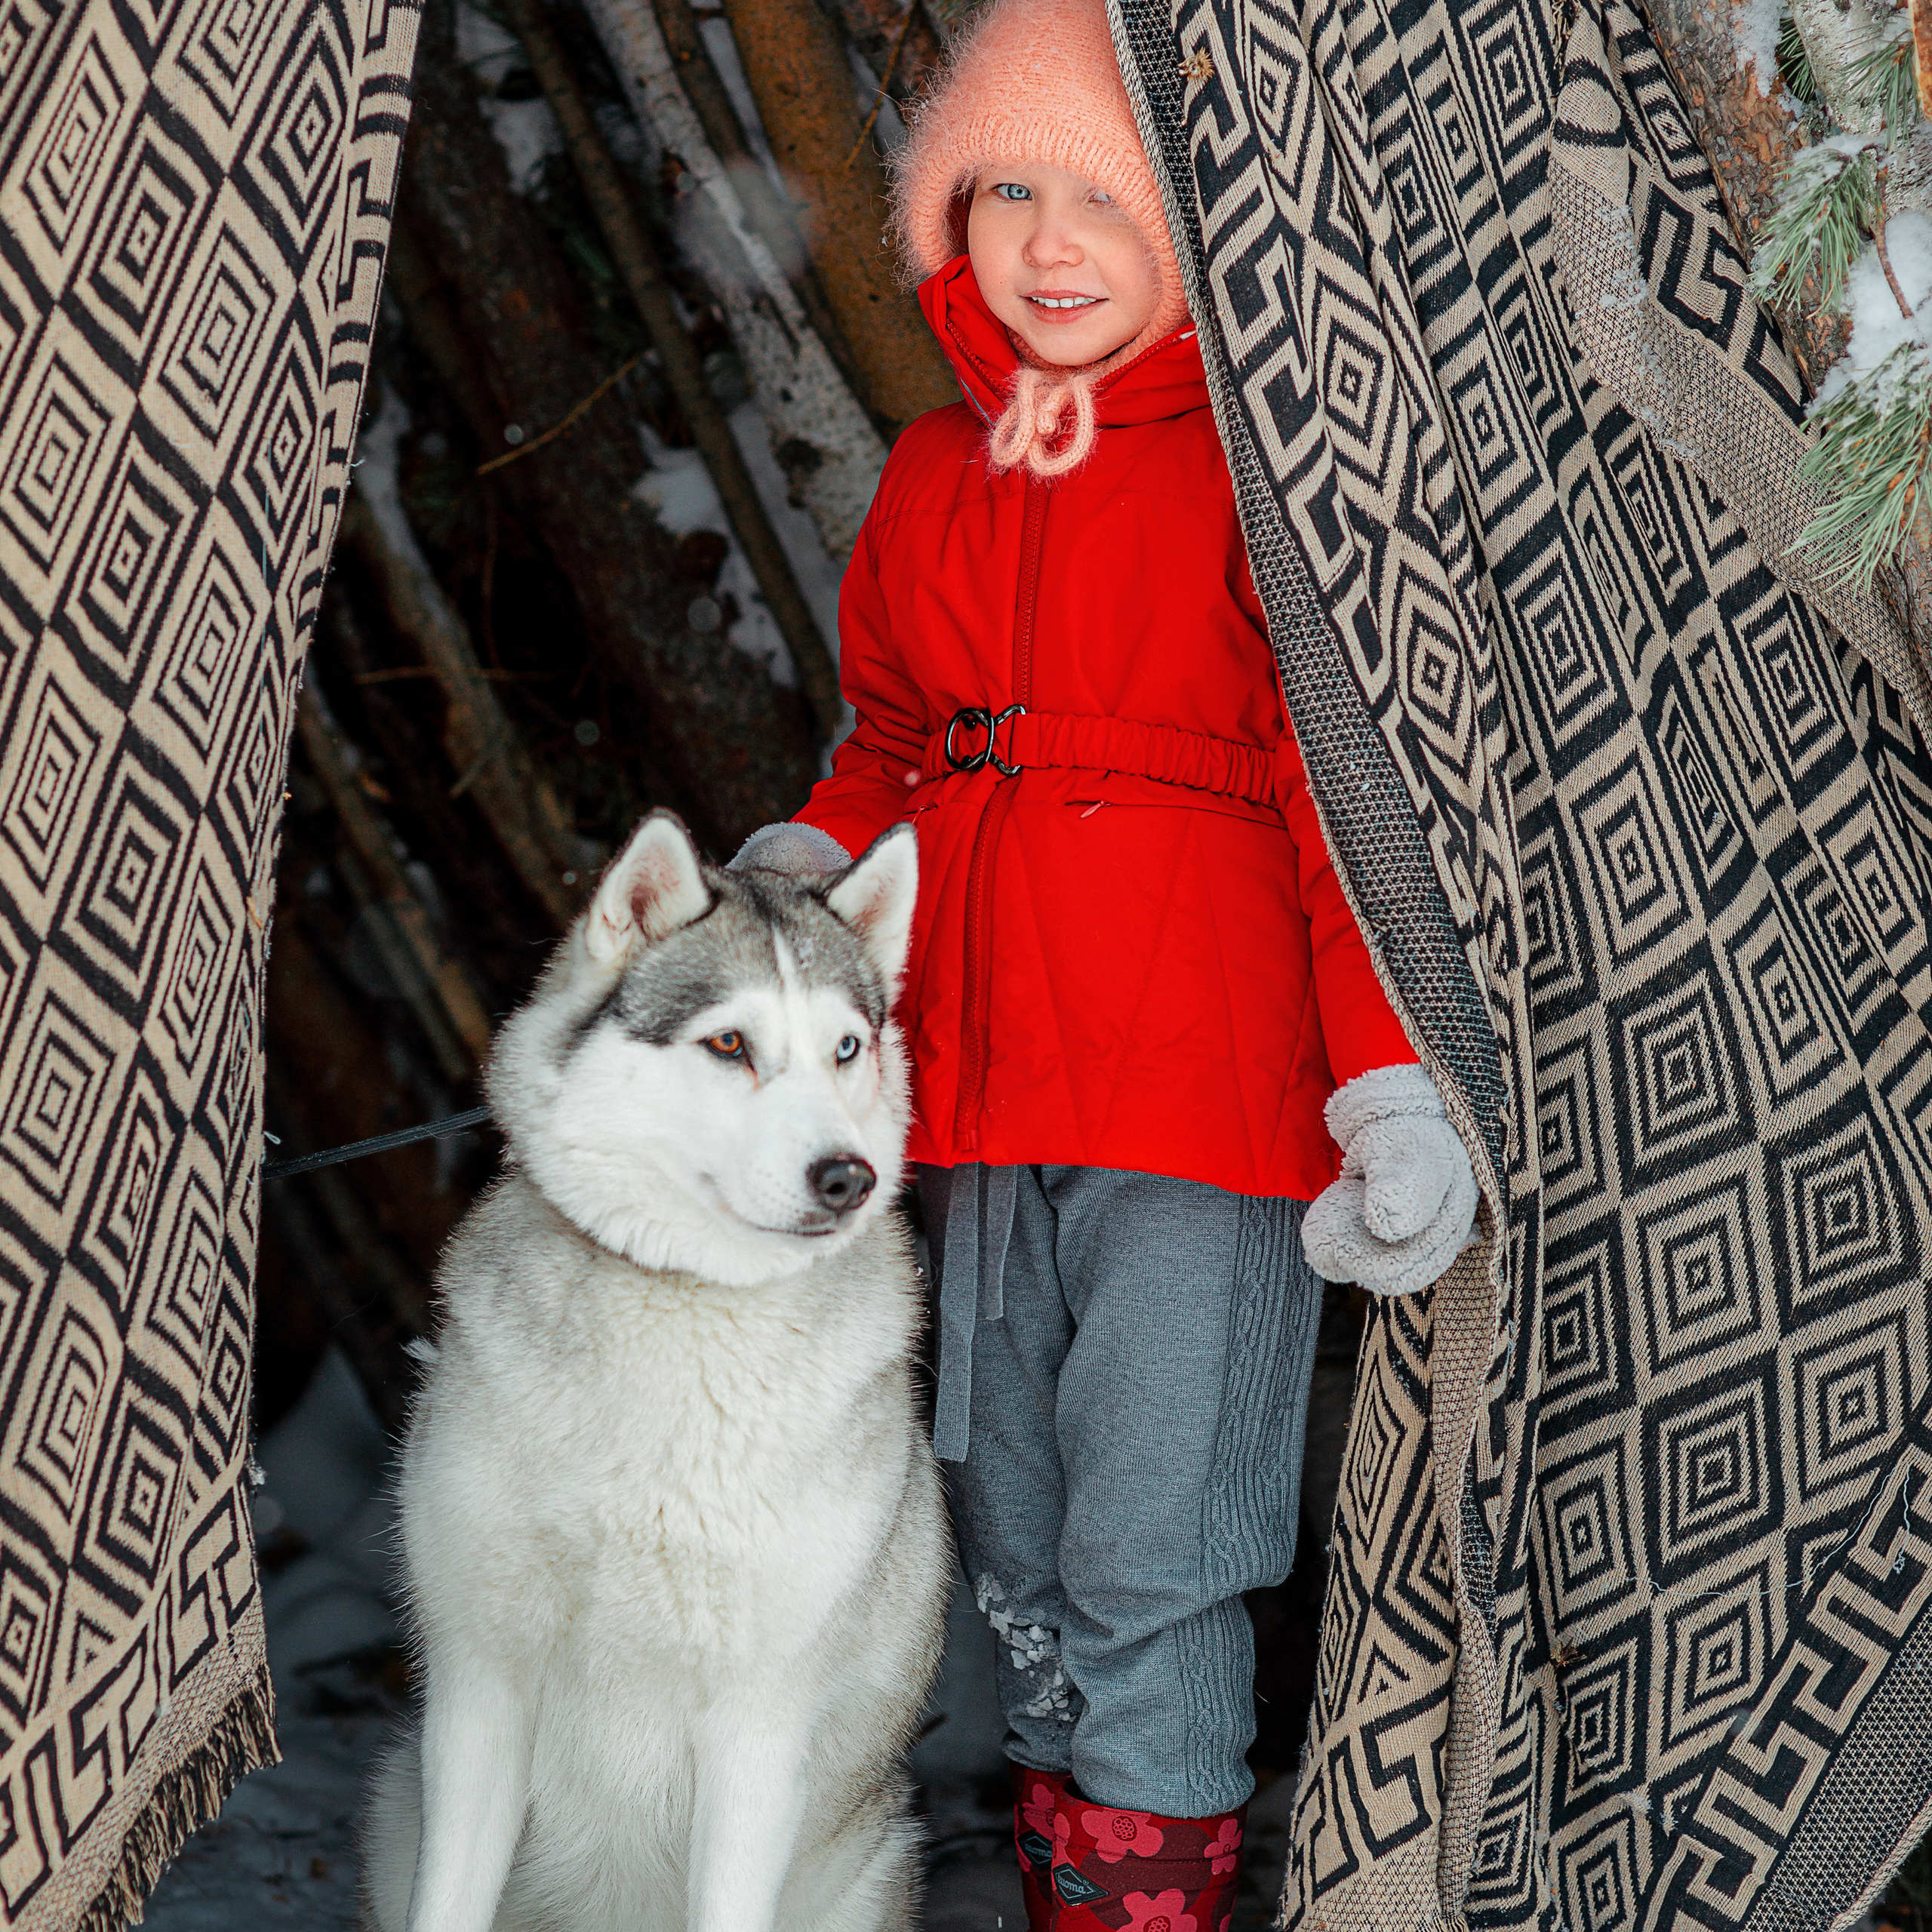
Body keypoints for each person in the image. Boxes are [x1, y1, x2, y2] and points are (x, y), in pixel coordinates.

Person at [733, 0, 1477, 1921]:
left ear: (1201, 230)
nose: (1049, 244)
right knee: (1020, 1548)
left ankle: (1152, 1895)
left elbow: (1346, 806)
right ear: (946, 219)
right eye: (1008, 193)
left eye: (1108, 203)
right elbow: (893, 743)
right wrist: (804, 869)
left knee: (1158, 1546)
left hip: (1196, 1109)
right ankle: (1073, 1881)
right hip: (977, 1107)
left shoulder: (1263, 476)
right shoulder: (930, 473)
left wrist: (1385, 1080)